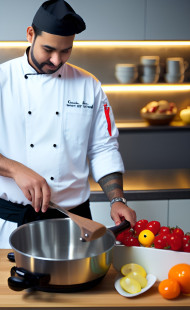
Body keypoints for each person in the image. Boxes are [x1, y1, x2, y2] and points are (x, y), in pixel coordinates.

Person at [0, 0, 136, 248]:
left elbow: (103, 148)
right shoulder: (2, 80)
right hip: (11, 222)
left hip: (77, 223)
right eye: (48, 49)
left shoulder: (89, 85)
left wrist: (118, 200)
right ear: (30, 34)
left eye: (66, 51)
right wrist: (13, 168)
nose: (55, 60)